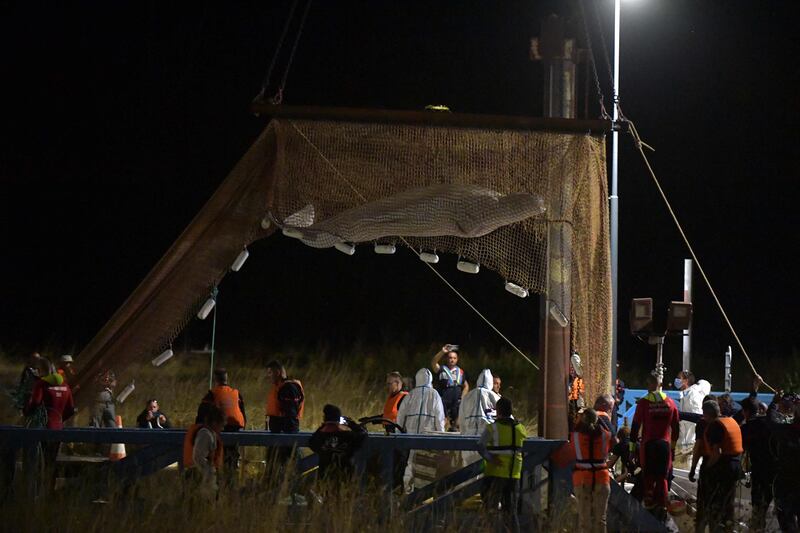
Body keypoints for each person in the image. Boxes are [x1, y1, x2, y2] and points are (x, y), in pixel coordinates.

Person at [630, 373, 680, 515]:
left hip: (649, 445)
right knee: (662, 478)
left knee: (648, 477)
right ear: (661, 385)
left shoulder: (644, 403)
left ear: (651, 384)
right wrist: (673, 448)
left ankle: (648, 509)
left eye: (647, 384)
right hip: (665, 445)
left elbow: (634, 427)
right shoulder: (670, 403)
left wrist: (632, 449)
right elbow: (676, 428)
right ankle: (662, 508)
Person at [478, 397, 527, 533]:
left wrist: (490, 458)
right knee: (511, 513)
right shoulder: (521, 428)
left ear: (497, 411)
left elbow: (480, 446)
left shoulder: (492, 428)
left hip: (495, 474)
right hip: (514, 474)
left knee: (490, 510)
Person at [397, 368, 445, 491]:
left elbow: (401, 415)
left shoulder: (411, 394)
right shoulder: (435, 395)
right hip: (427, 436)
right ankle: (422, 495)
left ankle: (408, 493)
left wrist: (399, 434)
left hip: (410, 436)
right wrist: (442, 437)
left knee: (410, 464)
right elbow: (439, 418)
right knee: (426, 466)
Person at [701, 399, 743, 532]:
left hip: (722, 468)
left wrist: (706, 468)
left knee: (716, 504)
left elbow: (717, 452)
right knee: (728, 504)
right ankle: (728, 528)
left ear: (707, 413)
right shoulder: (730, 421)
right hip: (735, 466)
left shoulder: (715, 425)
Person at [569, 408, 612, 533]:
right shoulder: (605, 435)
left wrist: (578, 419)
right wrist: (599, 419)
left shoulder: (576, 436)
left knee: (584, 520)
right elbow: (610, 431)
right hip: (601, 477)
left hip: (582, 478)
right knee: (601, 519)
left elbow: (575, 428)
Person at [199, 369, 245, 481]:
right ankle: (231, 479)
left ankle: (220, 481)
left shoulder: (212, 394)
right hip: (235, 429)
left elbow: (201, 413)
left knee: (218, 456)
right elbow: (243, 413)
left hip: (220, 429)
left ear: (215, 380)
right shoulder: (236, 393)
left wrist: (198, 428)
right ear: (226, 379)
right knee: (232, 457)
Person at [739, 390, 775, 533]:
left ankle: (758, 526)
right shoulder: (768, 422)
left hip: (759, 469)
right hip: (774, 468)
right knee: (769, 499)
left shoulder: (747, 428)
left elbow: (741, 448)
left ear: (746, 411)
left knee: (758, 502)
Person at [765, 390, 800, 532]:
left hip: (787, 484)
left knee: (786, 520)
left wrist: (774, 403)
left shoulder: (787, 431)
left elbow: (771, 422)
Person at [308, 404, 368, 482]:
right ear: (338, 420)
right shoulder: (348, 436)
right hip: (345, 477)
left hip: (325, 478)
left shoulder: (319, 437)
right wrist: (351, 423)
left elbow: (312, 442)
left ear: (325, 419)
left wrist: (323, 426)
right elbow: (362, 434)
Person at [183, 404, 224, 501]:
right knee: (200, 505)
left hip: (198, 474)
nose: (222, 428)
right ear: (214, 423)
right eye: (221, 424)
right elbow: (198, 457)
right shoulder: (205, 434)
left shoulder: (209, 433)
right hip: (199, 475)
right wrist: (208, 473)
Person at [430, 344, 469, 430]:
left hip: (456, 401)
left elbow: (466, 386)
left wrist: (462, 397)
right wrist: (442, 352)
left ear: (457, 359)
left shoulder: (461, 371)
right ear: (446, 358)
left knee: (457, 423)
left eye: (454, 358)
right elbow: (433, 362)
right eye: (450, 357)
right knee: (444, 422)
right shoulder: (441, 369)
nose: (452, 360)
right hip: (444, 400)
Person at [674, 370, 711, 451]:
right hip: (686, 441)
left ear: (686, 381)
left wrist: (680, 415)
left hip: (691, 442)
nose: (676, 380)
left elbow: (698, 417)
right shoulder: (686, 395)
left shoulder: (692, 396)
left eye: (679, 378)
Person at [265, 360, 304, 433]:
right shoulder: (280, 387)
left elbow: (291, 416)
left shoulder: (288, 388)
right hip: (279, 433)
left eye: (270, 373)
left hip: (285, 434)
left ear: (278, 372)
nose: (268, 376)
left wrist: (287, 438)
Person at [459, 369, 500, 436]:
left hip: (469, 434)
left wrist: (463, 433)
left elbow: (461, 417)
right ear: (490, 382)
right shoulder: (494, 396)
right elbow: (505, 414)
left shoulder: (467, 397)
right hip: (488, 434)